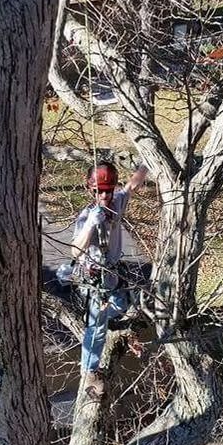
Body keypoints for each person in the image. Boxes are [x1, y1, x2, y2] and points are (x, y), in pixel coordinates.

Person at [71, 159, 148, 387]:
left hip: (112, 275)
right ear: (90, 189)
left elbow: (132, 185)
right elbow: (75, 250)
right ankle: (89, 372)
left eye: (108, 191)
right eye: (99, 192)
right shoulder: (87, 216)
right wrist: (90, 226)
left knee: (121, 305)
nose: (104, 196)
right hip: (96, 280)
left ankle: (118, 327)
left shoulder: (117, 202)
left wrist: (146, 164)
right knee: (97, 329)